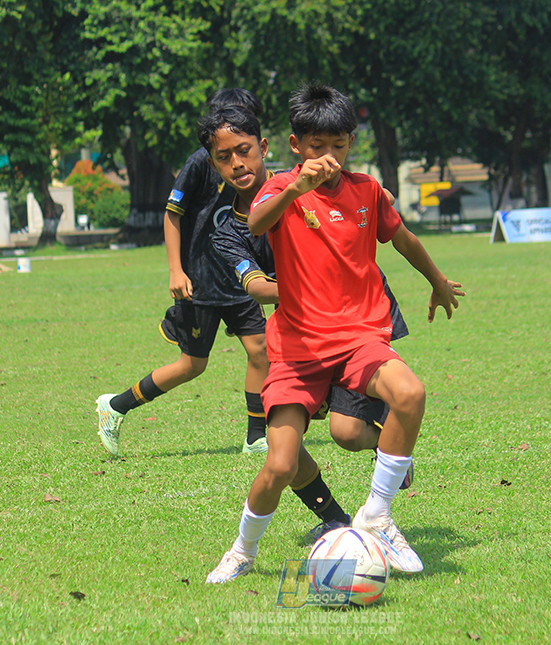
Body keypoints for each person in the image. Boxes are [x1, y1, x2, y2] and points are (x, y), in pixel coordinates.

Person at [207, 83, 464, 584]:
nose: (329, 157)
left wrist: (436, 281)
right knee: (280, 465)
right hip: (297, 349)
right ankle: (242, 551)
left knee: (409, 393)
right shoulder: (279, 186)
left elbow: (403, 238)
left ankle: (378, 515)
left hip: (359, 338)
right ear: (295, 145)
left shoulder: (367, 190)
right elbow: (257, 223)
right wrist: (298, 188)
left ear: (352, 143)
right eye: (317, 146)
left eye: (340, 145)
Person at [95, 89, 269, 457]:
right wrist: (176, 269)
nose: (236, 156)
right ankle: (117, 405)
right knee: (192, 365)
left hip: (240, 279)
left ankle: (256, 436)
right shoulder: (200, 163)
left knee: (261, 350)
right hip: (201, 281)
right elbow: (172, 214)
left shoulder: (257, 167)